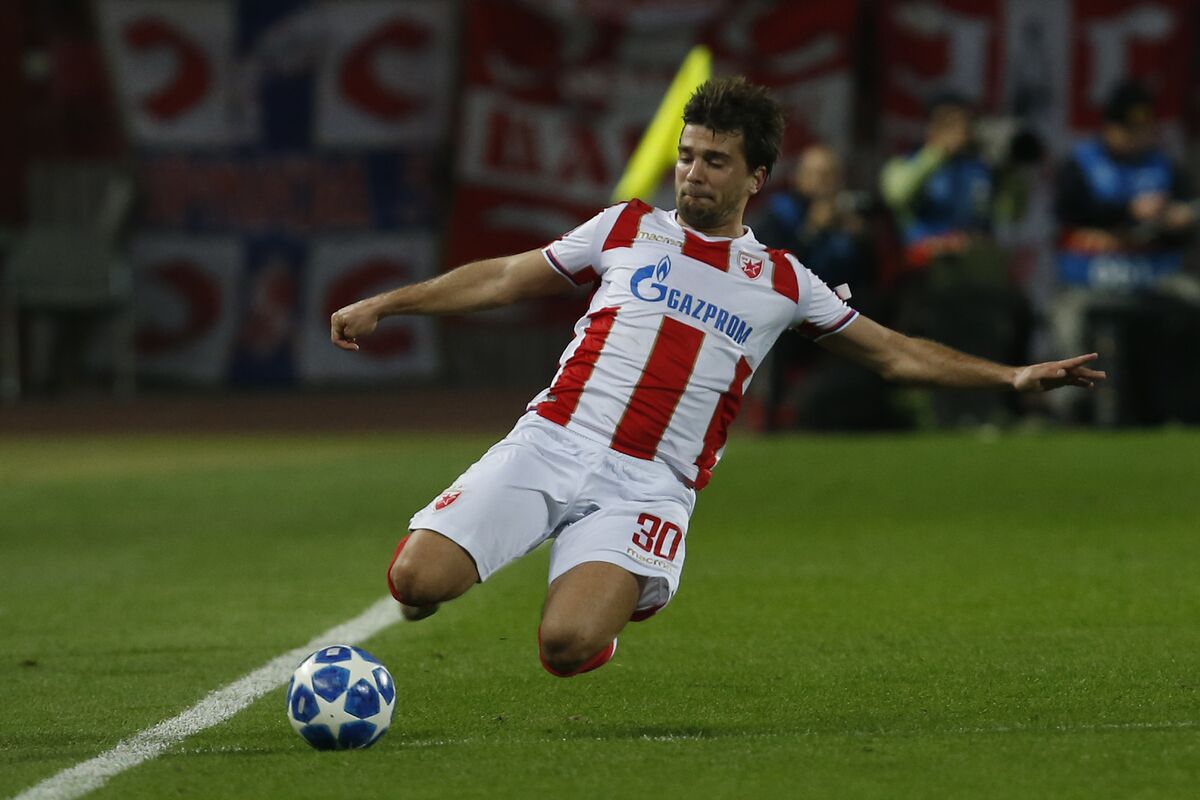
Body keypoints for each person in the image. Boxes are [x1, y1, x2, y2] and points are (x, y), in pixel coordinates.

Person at [330, 77, 1104, 678]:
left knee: (565, 647)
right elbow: (504, 277)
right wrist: (388, 303)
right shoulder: (625, 227)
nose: (693, 173)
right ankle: (480, 560)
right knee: (414, 583)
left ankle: (605, 604)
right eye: (687, 155)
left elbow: (894, 353)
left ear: (756, 177)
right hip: (554, 440)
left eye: (715, 161)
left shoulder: (784, 281)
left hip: (647, 486)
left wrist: (1011, 376)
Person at [1053, 79, 1200, 425]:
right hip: (1090, 280)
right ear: (1109, 127)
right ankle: (1070, 411)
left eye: (1144, 129)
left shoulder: (1165, 166)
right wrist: (1127, 213)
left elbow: (1184, 222)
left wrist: (1177, 220)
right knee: (1068, 326)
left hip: (1153, 276)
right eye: (1129, 130)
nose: (1138, 137)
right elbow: (1068, 213)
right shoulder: (1081, 163)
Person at [880, 91, 1030, 426]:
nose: (961, 130)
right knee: (936, 332)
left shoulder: (980, 170)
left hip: (975, 274)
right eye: (950, 123)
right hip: (925, 274)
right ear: (932, 127)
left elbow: (1011, 212)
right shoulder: (908, 162)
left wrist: (1009, 171)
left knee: (1014, 316)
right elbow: (898, 193)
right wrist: (938, 152)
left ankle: (998, 405)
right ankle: (931, 409)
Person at [751, 143, 885, 430]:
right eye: (817, 174)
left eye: (831, 175)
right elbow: (772, 270)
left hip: (837, 301)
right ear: (800, 178)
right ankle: (772, 418)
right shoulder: (780, 213)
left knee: (872, 310)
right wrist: (812, 231)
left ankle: (864, 413)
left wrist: (862, 240)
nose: (825, 182)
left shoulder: (851, 218)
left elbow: (863, 279)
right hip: (791, 305)